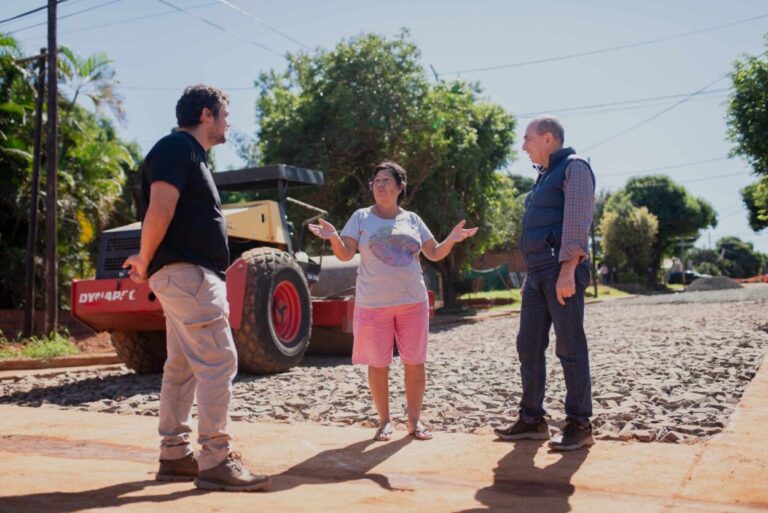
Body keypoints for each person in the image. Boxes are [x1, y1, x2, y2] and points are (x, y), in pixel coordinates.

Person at [123, 84, 270, 491]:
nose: (228, 123)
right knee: (218, 361)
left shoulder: (187, 153)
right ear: (206, 115)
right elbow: (161, 207)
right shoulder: (178, 148)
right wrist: (144, 256)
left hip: (184, 276)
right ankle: (216, 459)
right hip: (188, 274)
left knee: (184, 366)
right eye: (225, 114)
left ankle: (174, 455)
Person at [308, 161, 477, 442]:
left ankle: (414, 422)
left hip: (412, 301)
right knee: (378, 363)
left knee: (415, 362)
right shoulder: (361, 217)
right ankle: (385, 421)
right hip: (373, 303)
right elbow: (345, 254)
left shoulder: (412, 219)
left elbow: (433, 252)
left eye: (386, 180)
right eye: (376, 181)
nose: (380, 185)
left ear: (400, 187)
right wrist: (334, 236)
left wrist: (453, 238)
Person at [494, 115, 596, 451]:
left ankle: (580, 424)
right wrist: (530, 277)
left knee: (569, 347)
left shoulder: (574, 167)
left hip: (560, 271)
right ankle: (532, 420)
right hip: (537, 274)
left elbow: (577, 220)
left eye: (528, 139)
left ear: (548, 138)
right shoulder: (543, 177)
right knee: (528, 345)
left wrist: (568, 270)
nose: (523, 146)